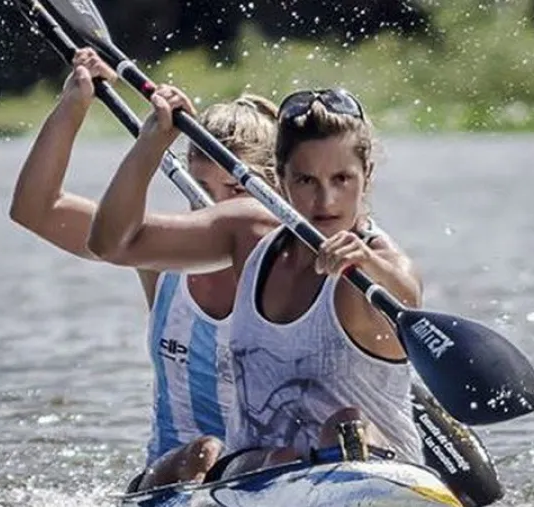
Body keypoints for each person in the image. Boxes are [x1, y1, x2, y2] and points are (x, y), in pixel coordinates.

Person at [87, 84, 425, 477]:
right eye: (305, 181)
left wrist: (367, 264)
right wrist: (151, 145)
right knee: (217, 456)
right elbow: (109, 243)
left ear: (366, 176)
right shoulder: (249, 234)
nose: (326, 201)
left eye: (342, 179)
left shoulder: (377, 263)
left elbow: (407, 292)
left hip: (369, 474)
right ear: (278, 179)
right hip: (258, 476)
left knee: (344, 424)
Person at [8, 48, 281, 490]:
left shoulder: (294, 265)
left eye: (235, 190)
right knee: (205, 451)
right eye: (202, 188)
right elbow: (35, 209)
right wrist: (73, 106)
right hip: (167, 481)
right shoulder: (157, 253)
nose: (214, 206)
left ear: (277, 190)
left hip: (269, 476)